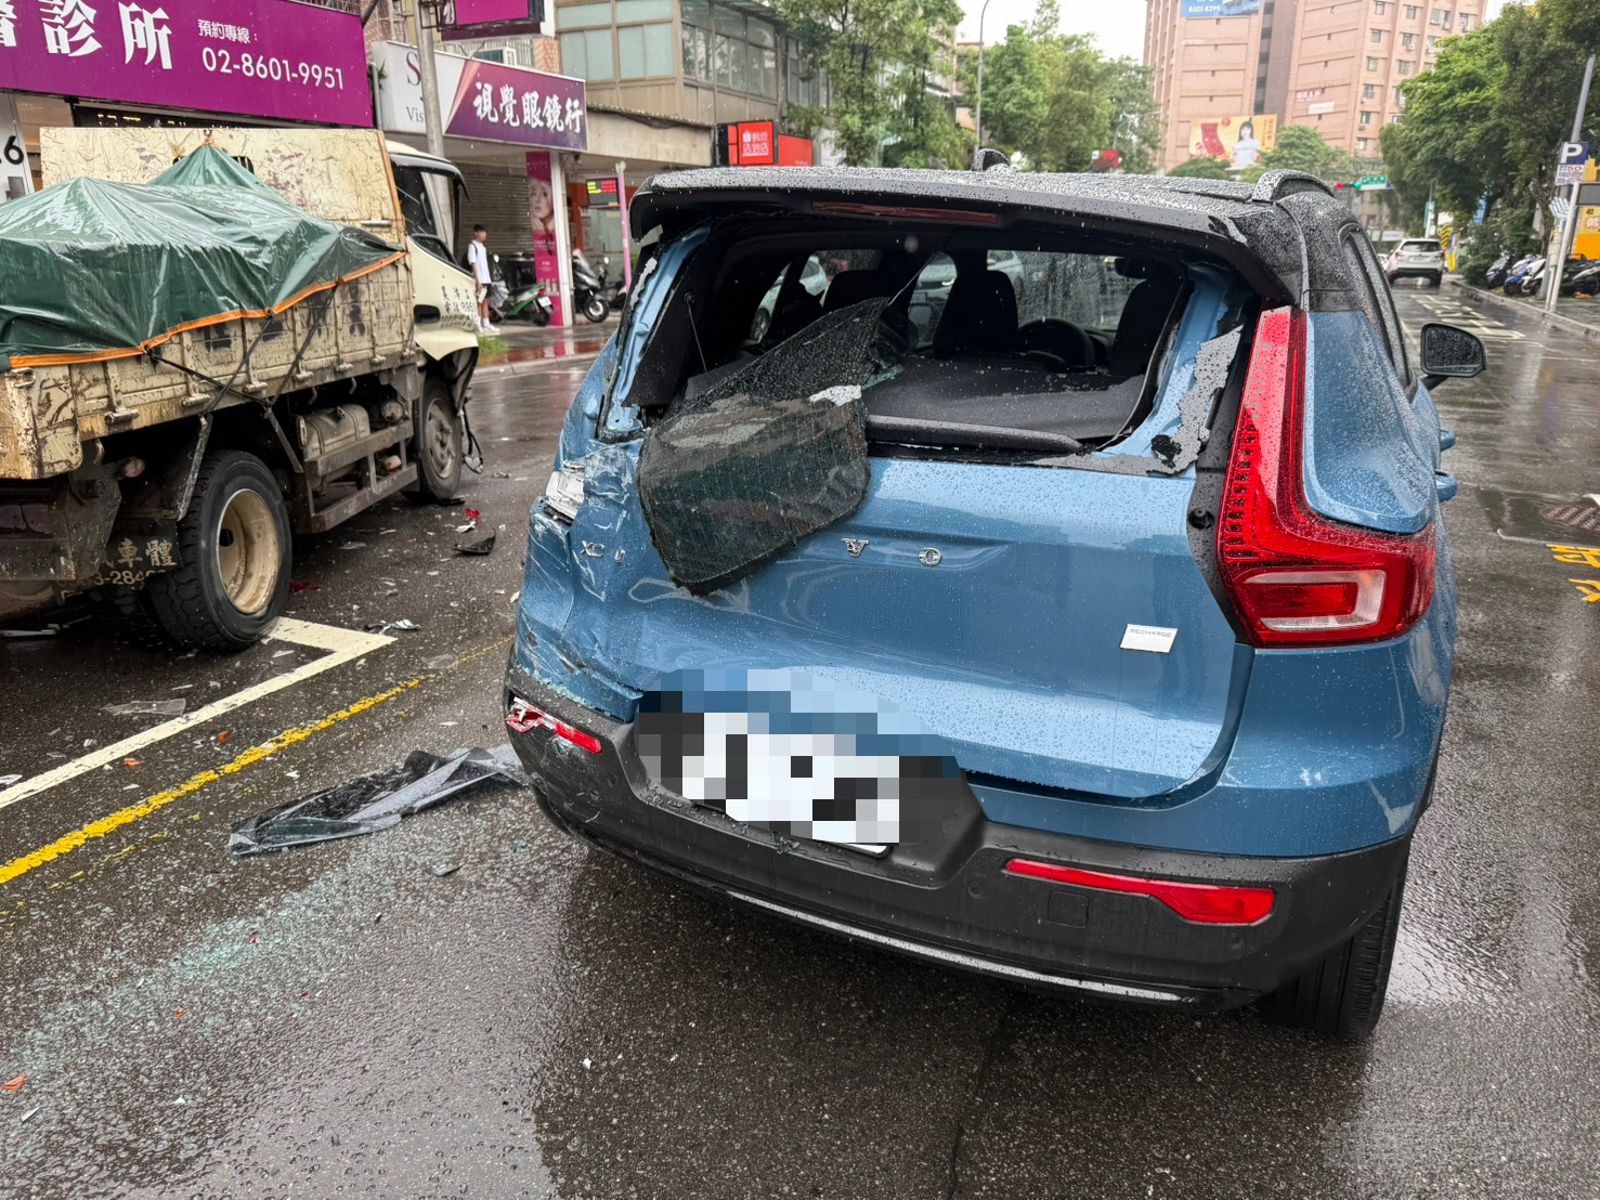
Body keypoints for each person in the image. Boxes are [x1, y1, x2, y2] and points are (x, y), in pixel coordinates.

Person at [467, 224, 497, 333]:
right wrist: (478, 281)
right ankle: (478, 324)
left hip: (487, 279)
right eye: (482, 232)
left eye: (485, 232)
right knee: (479, 302)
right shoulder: (472, 246)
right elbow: (473, 263)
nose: (484, 234)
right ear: (476, 233)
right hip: (480, 280)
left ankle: (486, 323)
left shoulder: (483, 248)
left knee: (486, 301)